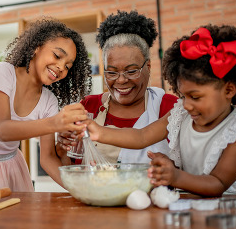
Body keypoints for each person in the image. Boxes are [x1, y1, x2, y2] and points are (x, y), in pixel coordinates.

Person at [84, 24, 236, 196]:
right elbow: (141, 136)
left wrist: (175, 176)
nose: (186, 104)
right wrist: (98, 132)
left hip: (230, 209)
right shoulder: (182, 113)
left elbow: (218, 183)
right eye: (183, 96)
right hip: (193, 202)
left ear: (229, 90)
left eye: (195, 97)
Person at [0, 18, 91, 192]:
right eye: (57, 55)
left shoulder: (49, 101)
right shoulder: (4, 72)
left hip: (11, 167)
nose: (61, 66)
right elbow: (2, 130)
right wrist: (56, 122)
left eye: (68, 66)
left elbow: (47, 158)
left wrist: (81, 190)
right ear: (37, 47)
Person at [57, 10, 177, 164]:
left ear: (148, 66)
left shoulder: (168, 107)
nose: (121, 80)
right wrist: (63, 146)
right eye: (112, 72)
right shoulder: (88, 107)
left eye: (131, 71)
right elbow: (70, 166)